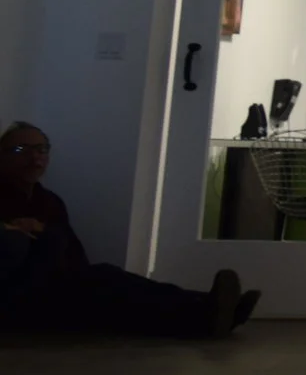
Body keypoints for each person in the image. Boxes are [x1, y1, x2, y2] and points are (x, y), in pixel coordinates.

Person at [0, 122, 258, 338]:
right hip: (25, 295)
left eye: (41, 149)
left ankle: (210, 307)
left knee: (110, 283)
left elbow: (72, 252)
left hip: (59, 283)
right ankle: (209, 310)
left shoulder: (48, 201)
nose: (35, 158)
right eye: (22, 149)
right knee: (107, 285)